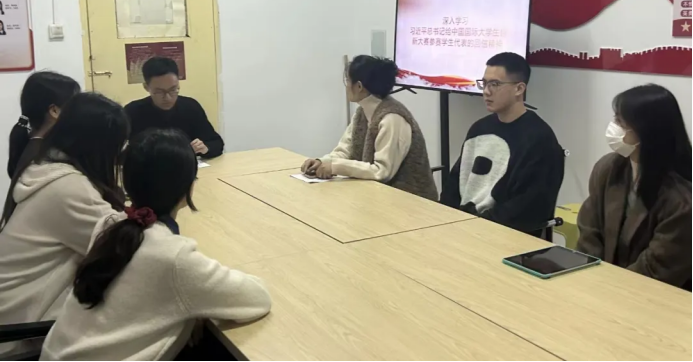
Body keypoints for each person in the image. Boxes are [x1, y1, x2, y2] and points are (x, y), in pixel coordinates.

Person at [41, 129, 272, 361]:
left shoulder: (110, 224)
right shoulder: (172, 256)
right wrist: (197, 304)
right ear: (188, 186)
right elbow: (257, 298)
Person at [0, 93, 129, 337]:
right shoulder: (68, 188)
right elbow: (125, 246)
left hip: (14, 310)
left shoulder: (45, 166)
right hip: (22, 329)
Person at [578, 85, 692, 290]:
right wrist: (590, 279)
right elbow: (589, 230)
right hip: (603, 287)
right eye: (615, 119)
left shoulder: (681, 199)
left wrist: (610, 289)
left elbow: (657, 269)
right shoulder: (608, 168)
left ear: (647, 131)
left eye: (621, 122)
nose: (613, 127)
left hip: (653, 297)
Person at [441, 53, 565, 234]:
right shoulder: (479, 128)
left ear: (519, 89)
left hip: (503, 235)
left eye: (495, 84)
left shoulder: (540, 139)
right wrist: (445, 219)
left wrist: (473, 227)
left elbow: (528, 208)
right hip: (462, 228)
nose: (486, 91)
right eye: (484, 83)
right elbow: (454, 185)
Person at [302, 55, 438, 201]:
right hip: (377, 197)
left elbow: (382, 172)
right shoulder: (362, 112)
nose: (346, 86)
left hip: (411, 201)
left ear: (359, 87)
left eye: (348, 81)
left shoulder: (392, 118)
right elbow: (345, 150)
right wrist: (322, 162)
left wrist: (335, 166)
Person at [125, 57, 224, 159]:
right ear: (146, 87)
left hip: (186, 166)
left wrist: (205, 148)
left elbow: (216, 143)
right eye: (159, 92)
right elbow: (119, 151)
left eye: (173, 90)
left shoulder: (190, 107)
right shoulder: (132, 112)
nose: (167, 98)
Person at [6, 71, 80, 181]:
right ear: (54, 111)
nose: (80, 112)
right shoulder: (49, 160)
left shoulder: (29, 148)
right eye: (75, 106)